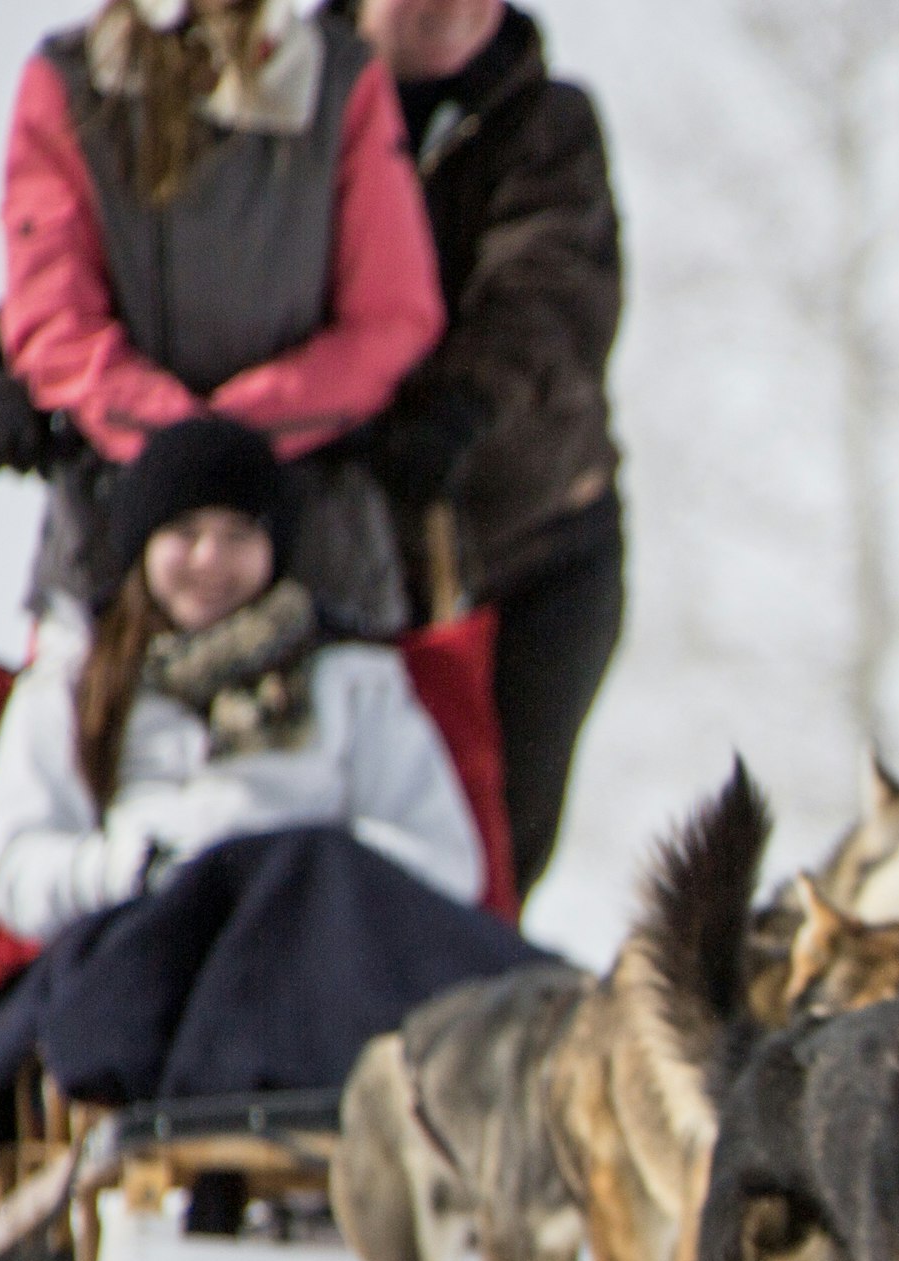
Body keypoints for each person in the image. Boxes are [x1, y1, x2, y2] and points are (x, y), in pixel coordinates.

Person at [0, 417, 543, 1209]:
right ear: (143, 543)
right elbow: (17, 874)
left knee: (304, 871)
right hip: (156, 954)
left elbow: (446, 861)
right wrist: (135, 861)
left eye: (239, 533)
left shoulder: (353, 682)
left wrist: (300, 863)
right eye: (185, 532)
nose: (211, 560)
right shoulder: (75, 690)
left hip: (334, 959)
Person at [0, 0, 442, 635]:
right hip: (114, 527)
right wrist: (179, 446)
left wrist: (231, 441)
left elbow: (393, 316)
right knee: (76, 725)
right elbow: (51, 317)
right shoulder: (71, 81)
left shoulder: (339, 78)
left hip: (315, 528)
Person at [350, 0, 626, 905]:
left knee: (489, 862)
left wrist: (465, 400)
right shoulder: (281, 117)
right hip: (336, 558)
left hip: (531, 543)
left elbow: (549, 292)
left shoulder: (546, 126)